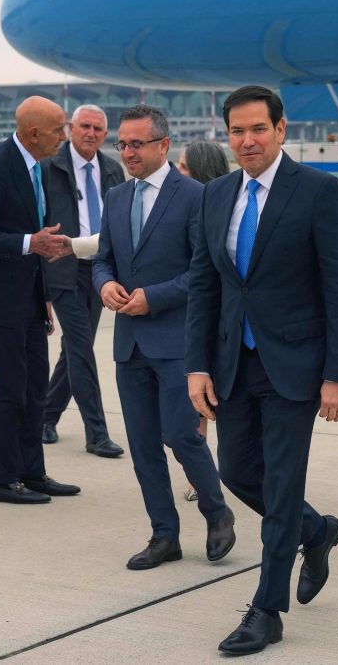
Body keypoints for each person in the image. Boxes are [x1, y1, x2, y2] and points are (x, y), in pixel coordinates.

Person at [185, 86, 338, 655]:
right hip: (233, 362)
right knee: (237, 472)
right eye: (237, 131)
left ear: (281, 130)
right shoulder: (215, 195)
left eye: (258, 129)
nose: (247, 140)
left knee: (282, 486)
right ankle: (318, 531)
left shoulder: (317, 192)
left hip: (295, 366)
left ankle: (266, 609)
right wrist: (196, 367)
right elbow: (205, 287)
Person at [93, 105, 236, 570]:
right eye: (123, 144)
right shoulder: (116, 197)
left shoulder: (195, 195)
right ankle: (164, 535)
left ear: (163, 145)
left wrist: (152, 298)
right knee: (141, 445)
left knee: (180, 433)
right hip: (129, 342)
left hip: (177, 340)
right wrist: (104, 284)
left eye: (137, 144)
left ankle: (217, 512)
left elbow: (204, 272)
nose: (128, 152)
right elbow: (103, 259)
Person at [0, 96, 80, 504]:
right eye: (58, 130)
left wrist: (43, 296)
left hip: (29, 297)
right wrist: (30, 242)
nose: (64, 137)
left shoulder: (38, 167)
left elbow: (37, 241)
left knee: (34, 389)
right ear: (33, 134)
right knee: (11, 388)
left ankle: (32, 472)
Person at [40, 104, 125, 457]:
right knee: (80, 347)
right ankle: (97, 433)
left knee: (75, 349)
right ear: (71, 128)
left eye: (99, 129)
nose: (91, 133)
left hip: (99, 269)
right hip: (62, 268)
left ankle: (45, 417)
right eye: (85, 126)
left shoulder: (112, 171)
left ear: (106, 135)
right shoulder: (50, 167)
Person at [177, 139, 231, 501]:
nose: (176, 172)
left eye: (182, 166)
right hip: (193, 317)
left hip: (217, 317)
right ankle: (202, 474)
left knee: (217, 399)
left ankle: (219, 473)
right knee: (198, 402)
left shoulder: (208, 207)